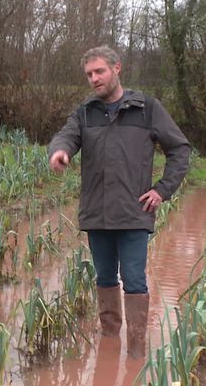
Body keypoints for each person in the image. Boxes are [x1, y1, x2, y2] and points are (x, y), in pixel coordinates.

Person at [48, 45, 190, 359]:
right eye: (89, 74)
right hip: (96, 212)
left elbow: (179, 149)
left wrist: (162, 190)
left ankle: (136, 352)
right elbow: (66, 136)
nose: (94, 79)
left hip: (134, 212)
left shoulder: (146, 107)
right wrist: (60, 152)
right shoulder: (86, 111)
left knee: (135, 279)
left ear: (117, 68)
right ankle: (110, 346)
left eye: (99, 71)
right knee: (105, 278)